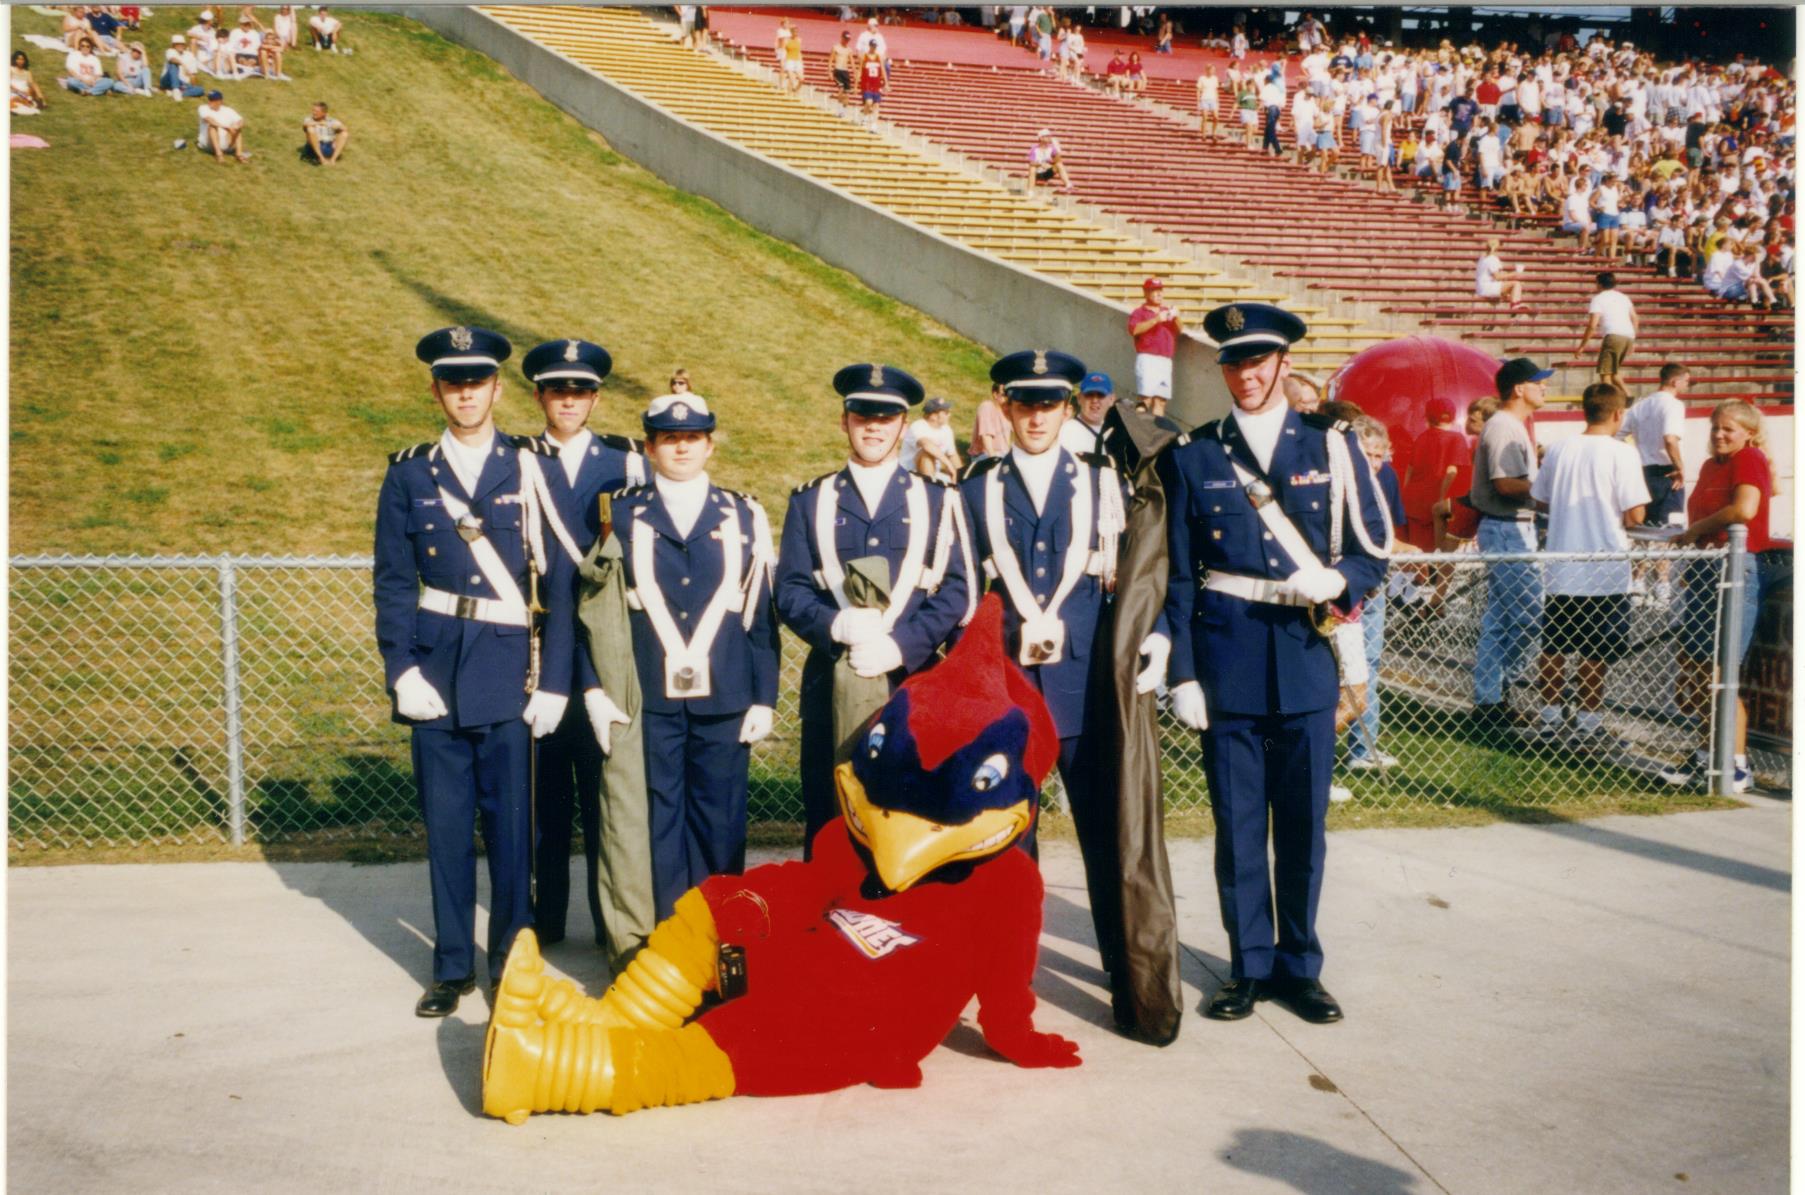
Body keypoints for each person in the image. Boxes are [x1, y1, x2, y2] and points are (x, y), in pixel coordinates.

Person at [1161, 303, 1393, 1025]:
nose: (1246, 373)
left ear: (1284, 363)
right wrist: (1183, 673)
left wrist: (1341, 581)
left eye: (1258, 360)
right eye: (1233, 361)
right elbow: (1174, 572)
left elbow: (1371, 546)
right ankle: (1247, 966)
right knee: (1235, 827)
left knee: (1300, 826)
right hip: (1225, 657)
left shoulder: (1330, 445)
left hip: (1300, 658)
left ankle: (1300, 966)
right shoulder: (1193, 452)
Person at [374, 326, 578, 1017]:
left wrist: (555, 680)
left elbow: (562, 584)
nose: (465, 393)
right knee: (447, 827)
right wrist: (400, 667)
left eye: (477, 381)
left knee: (513, 832)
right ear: (436, 390)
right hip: (435, 671)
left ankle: (513, 966)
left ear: (496, 388)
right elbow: (394, 581)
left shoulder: (530, 467)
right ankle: (452, 965)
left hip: (509, 671)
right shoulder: (409, 471)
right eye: (452, 382)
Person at [960, 348, 1157, 1022]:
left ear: (1068, 408)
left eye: (1050, 403)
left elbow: (1136, 575)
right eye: (1024, 402)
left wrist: (1154, 639)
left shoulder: (1103, 479)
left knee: (1104, 829)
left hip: (1085, 681)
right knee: (1010, 835)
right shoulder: (978, 482)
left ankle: (1122, 965)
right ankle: (1010, 968)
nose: (1037, 415)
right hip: (1009, 687)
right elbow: (965, 586)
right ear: (1004, 406)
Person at [776, 365, 973, 851]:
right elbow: (791, 591)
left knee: (909, 818)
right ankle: (828, 923)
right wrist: (833, 622)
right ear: (845, 420)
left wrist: (902, 645)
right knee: (830, 818)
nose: (873, 426)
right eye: (863, 414)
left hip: (912, 683)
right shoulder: (811, 500)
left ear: (904, 426)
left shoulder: (938, 499)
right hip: (832, 685)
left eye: (886, 416)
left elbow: (957, 591)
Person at [608, 391, 779, 920]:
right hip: (651, 696)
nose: (681, 449)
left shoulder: (745, 513)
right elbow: (600, 610)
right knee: (658, 820)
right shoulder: (620, 514)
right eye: (668, 439)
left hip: (725, 695)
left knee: (720, 822)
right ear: (649, 447)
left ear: (709, 445)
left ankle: (722, 937)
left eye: (692, 438)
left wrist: (763, 697)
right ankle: (667, 942)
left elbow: (760, 611)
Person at [518, 338, 648, 953]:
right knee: (543, 800)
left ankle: (609, 923)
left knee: (607, 794)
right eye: (556, 390)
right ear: (539, 395)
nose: (568, 401)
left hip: (602, 650)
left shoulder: (626, 463)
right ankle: (544, 925)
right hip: (539, 653)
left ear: (595, 398)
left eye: (579, 391)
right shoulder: (518, 461)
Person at [1527, 382, 1649, 750]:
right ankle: (1588, 723)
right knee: (1594, 649)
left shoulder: (1561, 448)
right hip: (1604, 565)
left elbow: (1541, 500)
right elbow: (1635, 512)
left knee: (1555, 645)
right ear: (1617, 414)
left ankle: (1549, 718)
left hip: (1562, 564)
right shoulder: (1621, 453)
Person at [1664, 402, 1772, 793]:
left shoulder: (1750, 458)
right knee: (1697, 668)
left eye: (1729, 429)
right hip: (1705, 568)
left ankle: (1734, 765)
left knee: (1721, 672)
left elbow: (1745, 509)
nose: (1720, 435)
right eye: (1715, 428)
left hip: (1733, 567)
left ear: (1748, 433)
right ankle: (1707, 756)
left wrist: (1695, 532)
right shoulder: (1712, 467)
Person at [1469, 357, 1549, 739]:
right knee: (1530, 615)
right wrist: (1548, 488)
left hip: (1510, 526)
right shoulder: (1504, 425)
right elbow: (1505, 484)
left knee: (1499, 621)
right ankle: (1500, 689)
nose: (1545, 388)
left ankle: (1490, 700)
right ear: (1519, 388)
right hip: (1506, 527)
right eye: (1538, 382)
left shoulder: (1511, 424)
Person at [1344, 415, 1407, 774]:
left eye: (1380, 455)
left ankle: (1363, 747)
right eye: (1368, 454)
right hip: (1341, 584)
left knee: (1368, 663)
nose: (1375, 463)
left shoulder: (1386, 477)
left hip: (1373, 582)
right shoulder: (1338, 477)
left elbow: (1388, 532)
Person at [1615, 363, 1688, 528]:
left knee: (1646, 532)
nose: (1687, 385)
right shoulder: (1674, 405)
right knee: (1669, 531)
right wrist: (1680, 467)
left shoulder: (1639, 406)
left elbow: (1617, 434)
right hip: (1668, 473)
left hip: (1643, 473)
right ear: (1675, 382)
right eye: (1686, 381)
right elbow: (1670, 438)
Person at [1128, 277, 1181, 416]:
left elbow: (1179, 330)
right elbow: (1134, 330)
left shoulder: (1166, 310)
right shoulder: (1139, 312)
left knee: (1161, 401)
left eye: (1160, 290)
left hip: (1165, 360)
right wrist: (1156, 319)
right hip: (1148, 358)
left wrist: (1176, 317)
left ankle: (1158, 435)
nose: (1158, 294)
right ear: (1145, 293)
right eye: (1154, 291)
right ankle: (1137, 432)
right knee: (1145, 400)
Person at [1577, 271, 1637, 389]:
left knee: (1605, 374)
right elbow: (1635, 319)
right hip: (1628, 336)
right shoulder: (1623, 297)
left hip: (1613, 336)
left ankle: (1609, 402)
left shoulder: (1598, 299)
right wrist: (1633, 340)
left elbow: (1592, 325)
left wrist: (1582, 346)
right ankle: (1628, 396)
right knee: (1614, 372)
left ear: (1599, 284)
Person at [904, 395, 962, 481]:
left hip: (933, 474)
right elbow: (926, 445)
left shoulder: (947, 429)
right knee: (926, 453)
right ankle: (930, 488)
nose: (950, 415)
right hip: (908, 473)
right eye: (946, 412)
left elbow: (952, 455)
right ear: (933, 416)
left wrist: (962, 476)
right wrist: (948, 464)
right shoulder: (918, 426)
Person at [1059, 371, 1114, 455]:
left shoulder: (1113, 437)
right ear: (1079, 398)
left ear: (1111, 400)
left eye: (1100, 395)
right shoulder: (1065, 432)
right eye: (1089, 395)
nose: (1095, 400)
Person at [1475, 236, 1526, 323]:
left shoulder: (1482, 258)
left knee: (1513, 289)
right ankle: (1515, 305)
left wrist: (1509, 276)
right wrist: (1515, 273)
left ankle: (1515, 306)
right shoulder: (1492, 259)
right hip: (1488, 287)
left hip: (1481, 288)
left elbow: (1496, 275)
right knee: (1516, 284)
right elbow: (1497, 277)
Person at [198, 90, 252, 163]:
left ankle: (239, 155)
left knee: (237, 128)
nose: (210, 102)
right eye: (209, 99)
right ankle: (219, 155)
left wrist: (236, 126)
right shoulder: (203, 108)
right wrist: (226, 128)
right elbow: (209, 120)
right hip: (208, 144)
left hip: (226, 144)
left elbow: (241, 120)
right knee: (212, 127)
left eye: (213, 100)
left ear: (220, 101)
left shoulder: (228, 110)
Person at [301, 100, 349, 165]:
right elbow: (305, 125)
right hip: (313, 148)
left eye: (316, 111)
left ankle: (333, 159)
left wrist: (331, 126)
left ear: (324, 113)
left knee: (344, 134)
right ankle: (322, 159)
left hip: (329, 147)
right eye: (313, 110)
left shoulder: (331, 121)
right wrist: (319, 123)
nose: (314, 113)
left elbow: (345, 128)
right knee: (310, 129)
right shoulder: (309, 119)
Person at [970, 382, 1010, 460]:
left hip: (1003, 453)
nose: (1007, 398)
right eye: (1004, 395)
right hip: (985, 454)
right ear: (995, 394)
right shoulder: (987, 407)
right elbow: (986, 435)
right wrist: (993, 458)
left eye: (1009, 395)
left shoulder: (1006, 411)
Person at [160, 35, 204, 99]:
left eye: (182, 44)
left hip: (181, 82)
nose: (180, 46)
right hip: (167, 79)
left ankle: (176, 93)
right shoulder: (170, 51)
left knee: (200, 89)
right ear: (173, 45)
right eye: (177, 44)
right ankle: (175, 89)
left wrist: (193, 86)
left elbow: (193, 75)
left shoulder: (189, 55)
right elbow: (172, 59)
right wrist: (183, 65)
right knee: (173, 65)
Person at [856, 44, 885, 129]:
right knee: (868, 102)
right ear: (870, 46)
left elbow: (882, 69)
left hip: (876, 84)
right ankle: (864, 118)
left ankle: (874, 125)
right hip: (867, 84)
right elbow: (860, 69)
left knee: (876, 105)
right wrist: (856, 84)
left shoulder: (878, 57)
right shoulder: (864, 56)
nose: (874, 48)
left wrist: (886, 83)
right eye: (872, 46)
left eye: (875, 46)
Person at [828, 29, 854, 102]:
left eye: (848, 39)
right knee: (841, 87)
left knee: (847, 92)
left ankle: (843, 109)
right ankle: (839, 107)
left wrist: (855, 73)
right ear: (842, 37)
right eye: (845, 39)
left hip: (845, 71)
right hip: (838, 70)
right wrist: (829, 72)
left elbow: (852, 62)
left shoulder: (849, 50)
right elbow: (830, 60)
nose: (847, 41)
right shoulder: (836, 47)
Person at [1197, 65, 1221, 140]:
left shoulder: (1215, 79)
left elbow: (1216, 90)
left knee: (1216, 117)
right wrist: (1198, 100)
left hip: (1213, 99)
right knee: (1205, 117)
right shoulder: (1202, 78)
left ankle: (1213, 133)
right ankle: (1204, 134)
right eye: (1211, 70)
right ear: (1207, 70)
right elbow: (1198, 90)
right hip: (1204, 99)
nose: (1212, 72)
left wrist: (1218, 100)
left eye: (1214, 70)